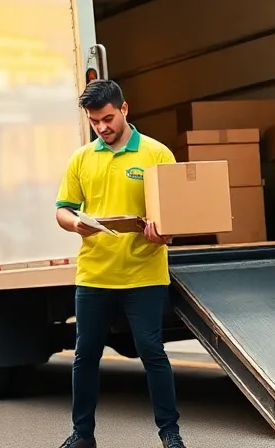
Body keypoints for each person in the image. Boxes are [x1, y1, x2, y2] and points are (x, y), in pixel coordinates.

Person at [54, 79, 186, 448]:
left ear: (124, 109)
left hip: (144, 274)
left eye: (108, 118)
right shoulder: (81, 159)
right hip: (95, 275)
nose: (102, 127)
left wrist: (164, 233)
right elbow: (63, 210)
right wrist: (76, 222)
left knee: (152, 352)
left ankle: (170, 433)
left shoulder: (157, 154)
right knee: (85, 357)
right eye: (95, 122)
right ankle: (82, 435)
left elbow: (175, 219)